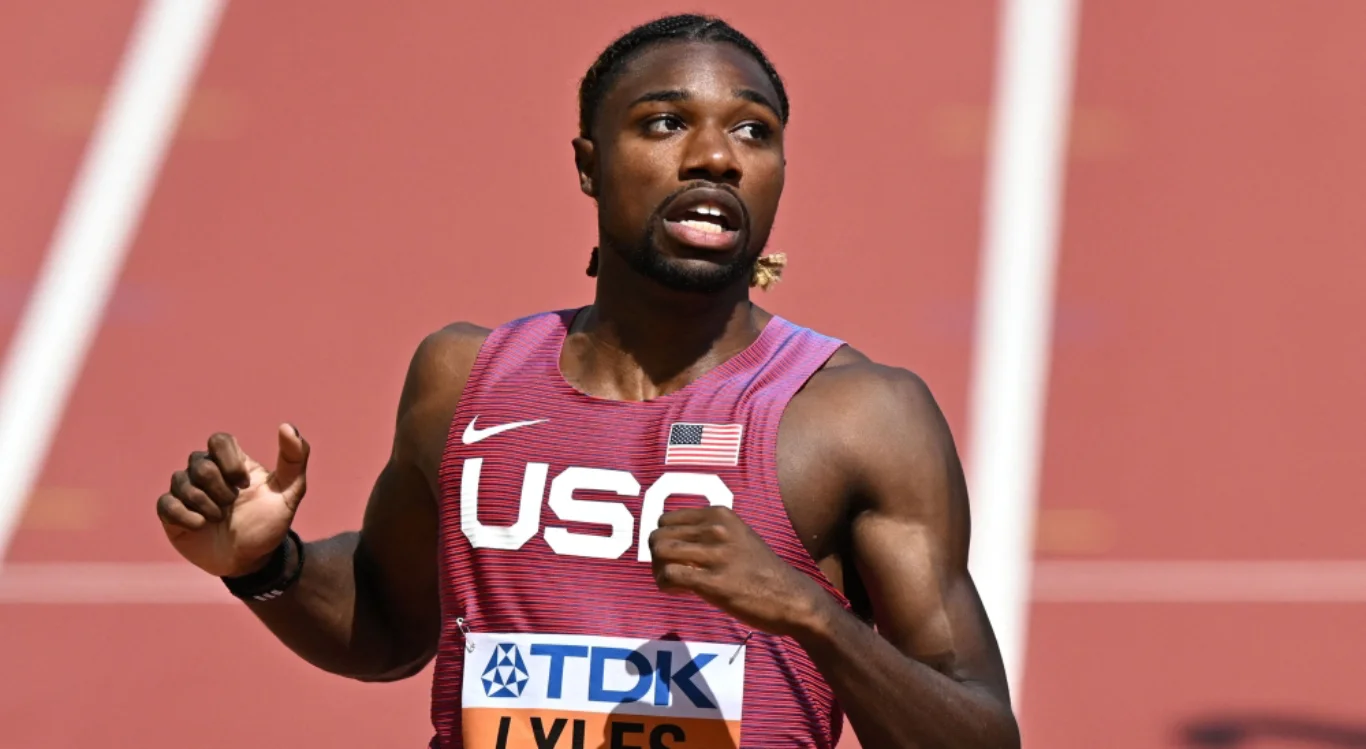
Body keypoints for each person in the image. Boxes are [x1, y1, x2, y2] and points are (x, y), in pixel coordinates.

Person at [155, 13, 1020, 749]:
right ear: (587, 162)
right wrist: (268, 565)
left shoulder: (858, 418)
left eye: (753, 130)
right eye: (664, 123)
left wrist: (812, 614)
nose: (716, 156)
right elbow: (386, 622)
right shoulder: (464, 380)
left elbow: (979, 728)